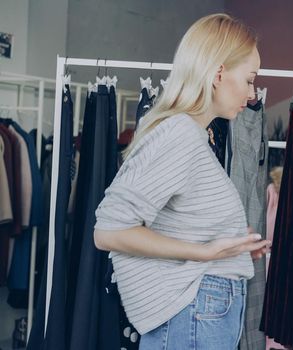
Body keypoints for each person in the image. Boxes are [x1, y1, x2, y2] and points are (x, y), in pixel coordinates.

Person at [93, 14, 271, 350]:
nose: (251, 95)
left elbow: (173, 221)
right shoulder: (180, 133)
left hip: (200, 312)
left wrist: (231, 243)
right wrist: (203, 252)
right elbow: (109, 231)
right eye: (249, 80)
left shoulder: (194, 135)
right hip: (193, 313)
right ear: (218, 74)